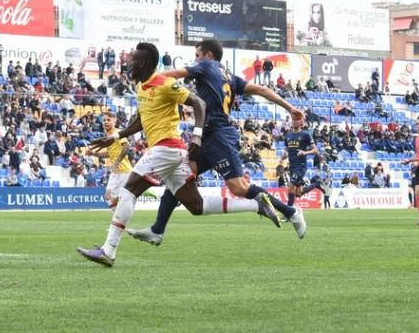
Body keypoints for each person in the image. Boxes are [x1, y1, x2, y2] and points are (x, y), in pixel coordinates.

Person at [77, 42, 278, 268]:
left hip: (166, 148)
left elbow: (199, 103)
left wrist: (197, 135)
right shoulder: (141, 88)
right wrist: (115, 137)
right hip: (169, 153)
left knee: (128, 191)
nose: (128, 65)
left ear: (142, 63)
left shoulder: (165, 83)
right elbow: (141, 121)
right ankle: (256, 205)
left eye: (132, 61)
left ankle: (108, 250)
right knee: (196, 205)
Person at [127, 38, 306, 247]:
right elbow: (262, 90)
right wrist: (290, 108)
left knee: (238, 188)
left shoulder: (206, 66)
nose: (196, 60)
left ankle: (292, 212)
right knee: (179, 177)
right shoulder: (230, 77)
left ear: (208, 56)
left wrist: (148, 80)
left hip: (219, 135)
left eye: (198, 55)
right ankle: (157, 230)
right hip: (208, 135)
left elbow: (174, 75)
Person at [87, 113, 132, 209]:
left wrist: (117, 162)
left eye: (108, 120)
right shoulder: (108, 136)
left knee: (116, 198)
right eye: (104, 120)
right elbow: (108, 154)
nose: (106, 122)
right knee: (109, 197)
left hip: (124, 170)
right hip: (116, 171)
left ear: (114, 121)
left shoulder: (117, 133)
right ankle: (119, 220)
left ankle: (120, 220)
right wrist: (93, 154)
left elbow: (127, 146)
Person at [284, 116, 320, 210]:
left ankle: (289, 211)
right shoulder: (288, 135)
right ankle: (316, 184)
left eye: (297, 120)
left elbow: (315, 150)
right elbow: (287, 149)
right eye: (294, 120)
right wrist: (285, 154)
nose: (295, 121)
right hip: (292, 166)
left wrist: (305, 152)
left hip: (300, 166)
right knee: (298, 193)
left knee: (291, 186)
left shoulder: (305, 135)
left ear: (301, 123)